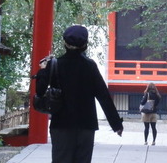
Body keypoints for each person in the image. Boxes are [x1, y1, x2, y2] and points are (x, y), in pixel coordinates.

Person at [35, 25, 123, 163]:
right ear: (85, 45)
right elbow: (103, 96)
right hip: (86, 124)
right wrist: (116, 124)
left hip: (61, 124)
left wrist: (42, 70)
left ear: (65, 43)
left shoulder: (54, 64)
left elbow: (40, 91)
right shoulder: (90, 66)